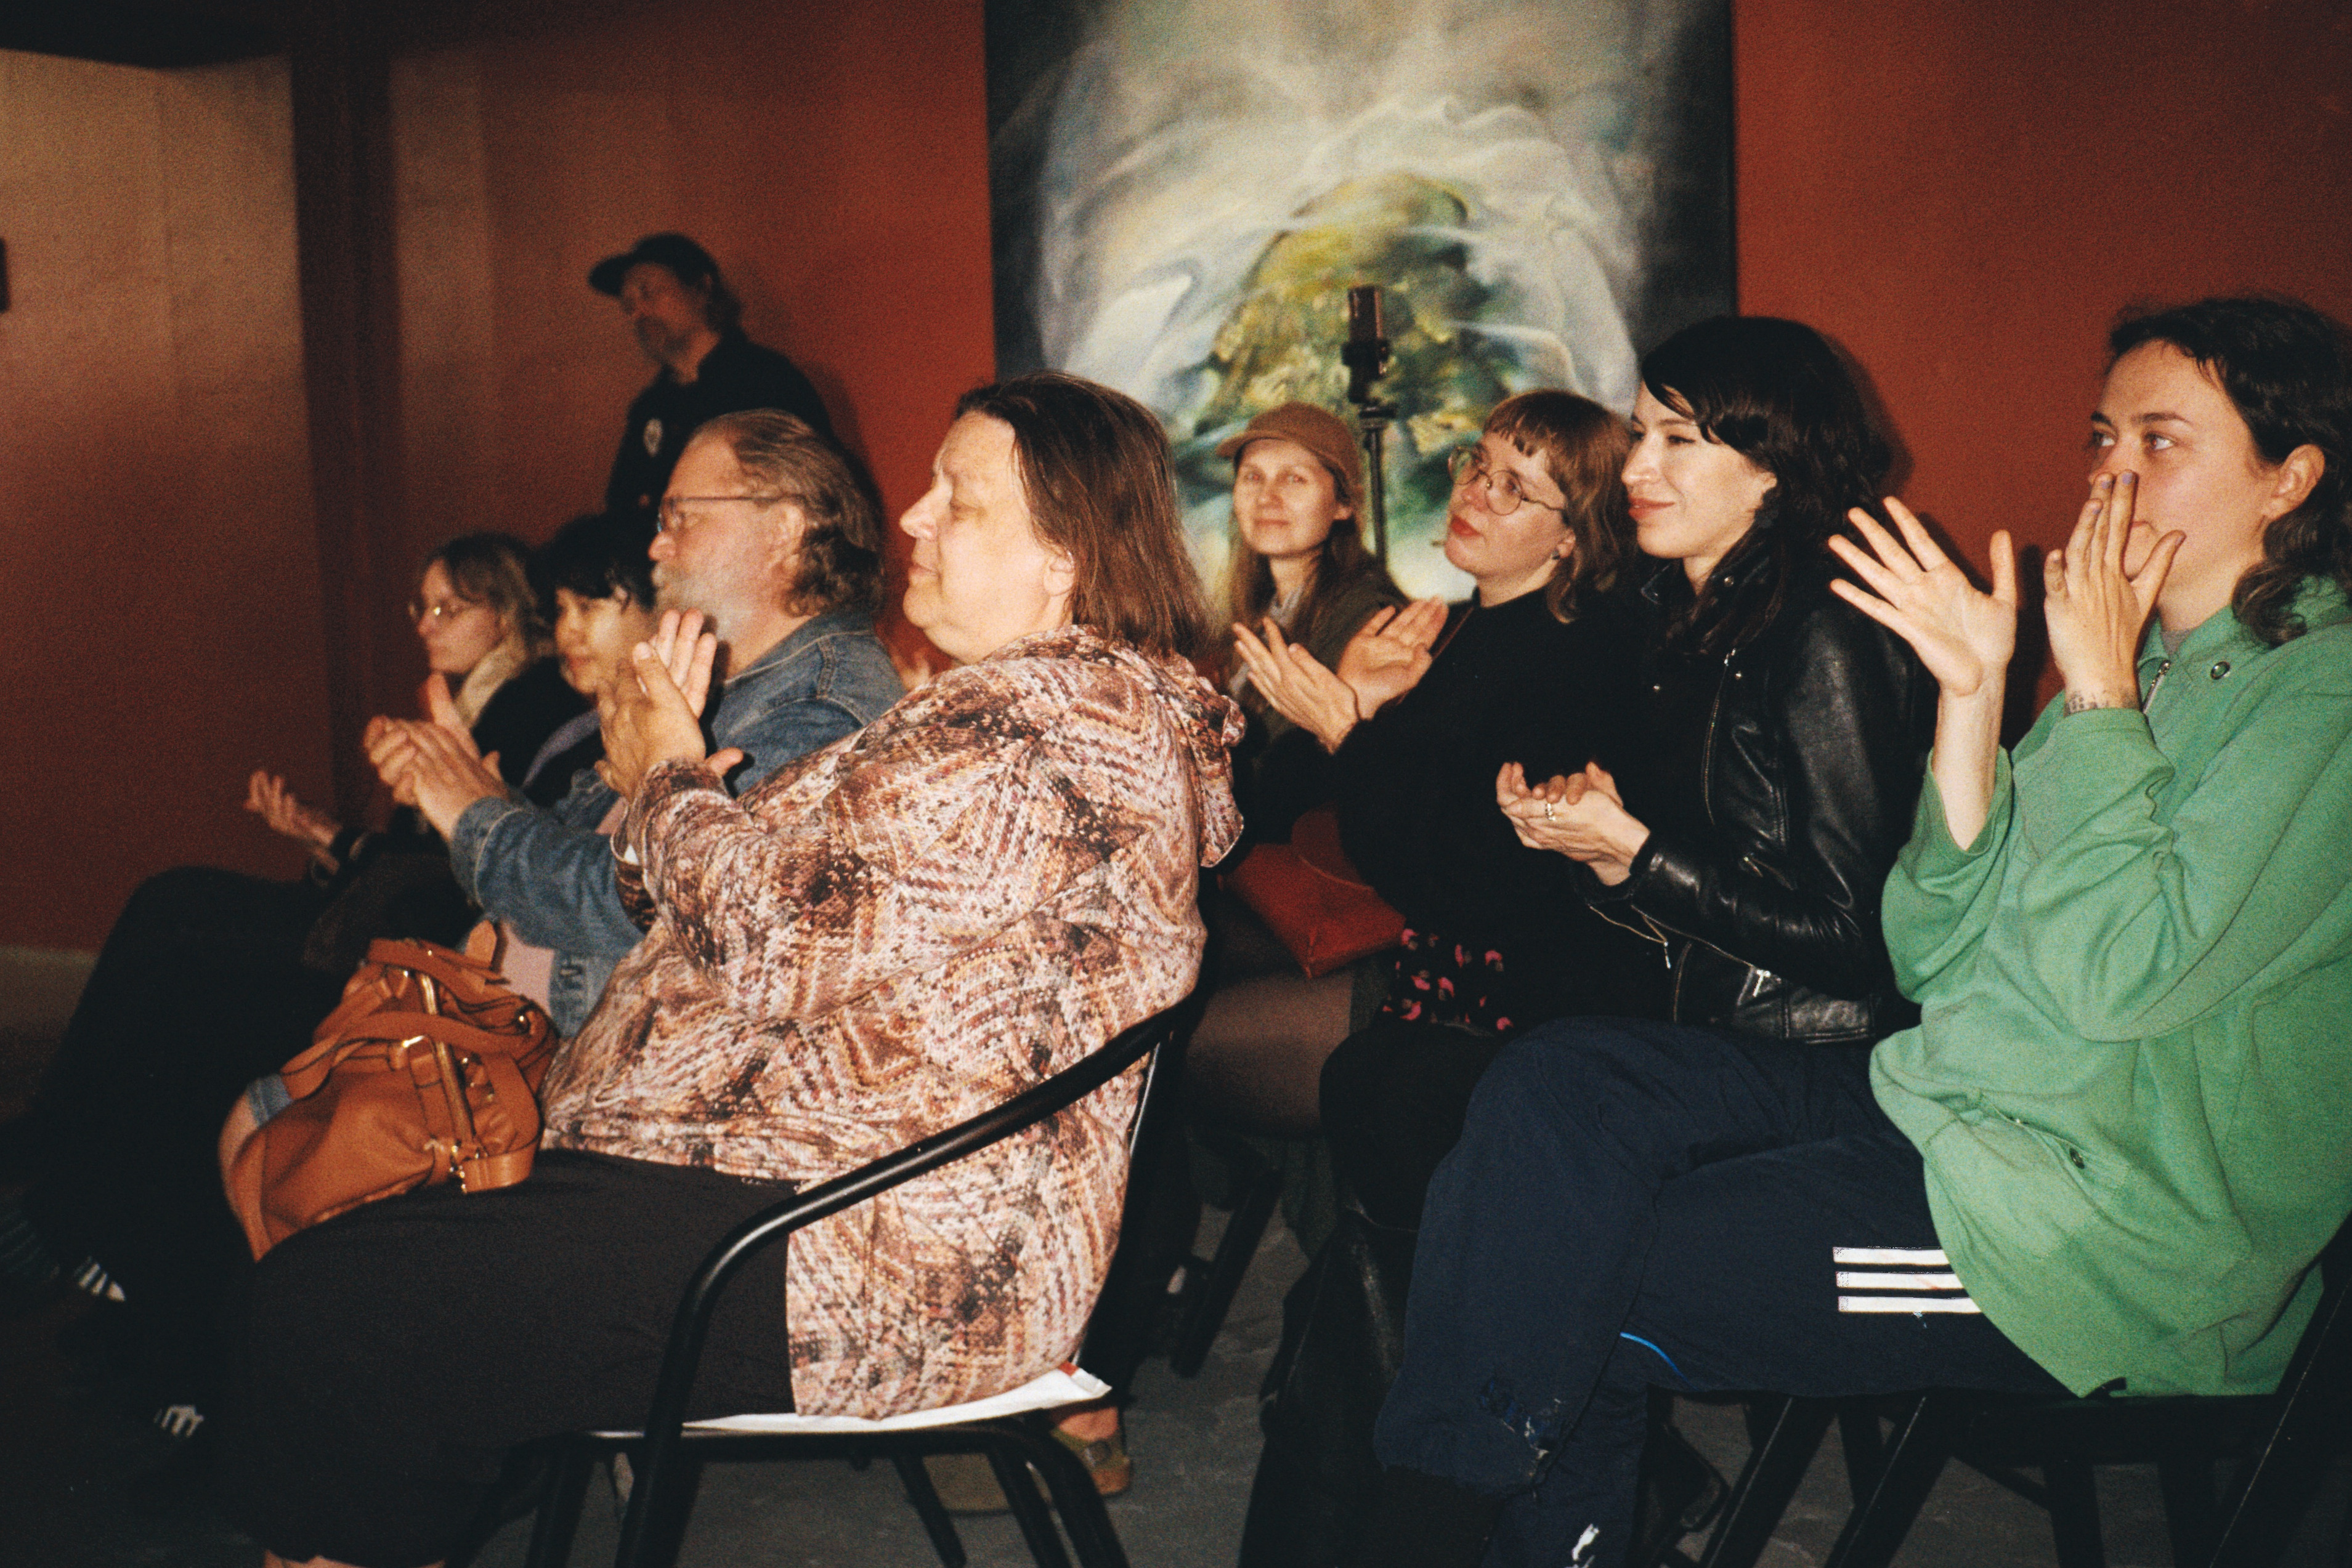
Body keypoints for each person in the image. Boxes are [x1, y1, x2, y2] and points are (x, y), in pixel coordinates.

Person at [1353, 295, 2352, 1568]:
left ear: (2289, 477)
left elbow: (2116, 977)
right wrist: (1970, 701)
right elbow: (1931, 946)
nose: (2110, 472)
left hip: (2098, 1240)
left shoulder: (2317, 697)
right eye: (2102, 436)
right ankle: (1439, 1513)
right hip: (1947, 1107)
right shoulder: (2146, 674)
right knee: (1558, 1084)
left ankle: (1433, 1530)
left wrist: (2094, 694)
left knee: (1569, 1268)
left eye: (2159, 441)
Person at [213, 371, 1244, 1568]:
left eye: (957, 501)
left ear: (1066, 555)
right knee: (349, 1266)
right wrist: (660, 796)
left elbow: (768, 946)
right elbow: (770, 902)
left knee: (338, 1309)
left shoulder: (1039, 740)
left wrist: (664, 771)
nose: (912, 517)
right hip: (789, 1179)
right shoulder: (1021, 717)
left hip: (859, 1250)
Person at [1219, 392, 1663, 1565]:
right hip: (1432, 984)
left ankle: (1408, 1433)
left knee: (1323, 1087)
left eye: (1517, 488)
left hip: (1514, 1011)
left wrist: (1351, 730)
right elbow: (1316, 818)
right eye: (1479, 463)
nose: (1474, 493)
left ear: (1571, 538)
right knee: (1305, 1070)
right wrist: (1356, 711)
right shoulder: (1462, 627)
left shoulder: (1578, 660)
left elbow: (1467, 877)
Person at [0, 534, 581, 1427]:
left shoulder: (532, 702)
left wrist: (367, 831)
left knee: (187, 987)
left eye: (448, 606)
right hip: (386, 924)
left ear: (506, 613)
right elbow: (422, 863)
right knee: (172, 910)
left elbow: (458, 878)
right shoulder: (488, 700)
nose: (425, 624)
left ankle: (100, 1227)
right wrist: (322, 834)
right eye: (419, 607)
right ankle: (88, 1202)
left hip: (416, 963)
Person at [370, 411, 903, 1041]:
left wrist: (475, 820)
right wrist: (472, 792)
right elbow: (596, 853)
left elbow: (640, 900)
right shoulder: (728, 682)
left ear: (785, 530)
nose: (658, 547)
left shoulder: (820, 712)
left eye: (682, 518)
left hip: (558, 1063)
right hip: (488, 1025)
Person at [1214, 401, 1406, 837]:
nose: (1268, 497)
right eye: (1253, 477)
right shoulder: (1264, 608)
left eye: (1294, 478)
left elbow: (1293, 787)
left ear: (1343, 505)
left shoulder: (1370, 619)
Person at [593, 232, 837, 520]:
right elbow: (622, 505)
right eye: (628, 305)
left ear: (701, 288)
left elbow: (818, 495)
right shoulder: (650, 407)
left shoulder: (765, 380)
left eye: (647, 292)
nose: (637, 313)